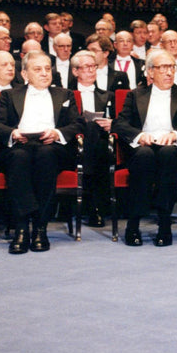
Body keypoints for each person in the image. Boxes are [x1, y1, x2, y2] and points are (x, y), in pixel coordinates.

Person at [0, 50, 83, 254]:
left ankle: (40, 228)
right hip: (20, 145)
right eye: (38, 69)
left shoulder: (65, 95)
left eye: (47, 69)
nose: (44, 73)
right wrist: (13, 133)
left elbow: (77, 123)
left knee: (46, 155)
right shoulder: (9, 95)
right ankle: (22, 228)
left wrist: (57, 133)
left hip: (52, 146)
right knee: (19, 157)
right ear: (24, 74)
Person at [110, 49, 177, 247]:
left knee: (169, 153)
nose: (169, 72)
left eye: (172, 67)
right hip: (143, 146)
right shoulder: (135, 95)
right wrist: (140, 136)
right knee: (144, 156)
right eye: (163, 68)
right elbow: (120, 124)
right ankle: (134, 223)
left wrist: (175, 135)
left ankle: (164, 223)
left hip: (173, 148)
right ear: (150, 72)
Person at [69, 50, 115, 227]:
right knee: (87, 130)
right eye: (86, 67)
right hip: (72, 143)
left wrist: (111, 123)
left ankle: (94, 206)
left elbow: (120, 121)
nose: (91, 70)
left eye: (93, 66)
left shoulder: (107, 96)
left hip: (100, 145)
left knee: (97, 137)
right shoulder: (66, 95)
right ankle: (93, 206)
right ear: (75, 71)